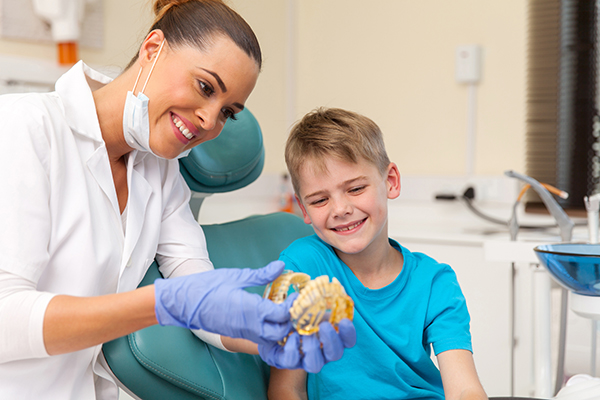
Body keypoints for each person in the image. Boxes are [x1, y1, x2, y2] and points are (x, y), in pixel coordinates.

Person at [0, 1, 354, 398]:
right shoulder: (23, 129)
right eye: (205, 87)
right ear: (153, 49)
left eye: (228, 112)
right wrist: (159, 303)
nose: (208, 120)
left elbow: (198, 291)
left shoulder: (159, 170)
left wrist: (271, 332)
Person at [267, 108, 488, 400]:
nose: (340, 209)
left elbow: (464, 389)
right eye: (320, 200)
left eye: (356, 188)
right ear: (303, 209)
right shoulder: (302, 268)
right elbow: (286, 389)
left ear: (391, 181)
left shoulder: (435, 282)